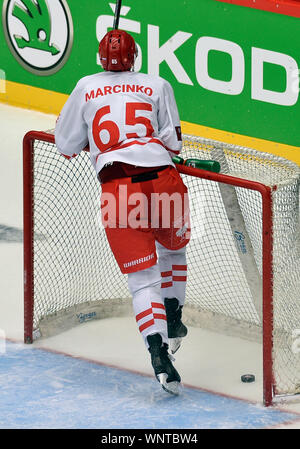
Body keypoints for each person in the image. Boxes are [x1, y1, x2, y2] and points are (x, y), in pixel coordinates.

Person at [55, 29, 190, 395]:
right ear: (136, 56)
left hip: (119, 191)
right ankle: (174, 316)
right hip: (164, 180)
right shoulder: (158, 84)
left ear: (101, 58)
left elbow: (65, 144)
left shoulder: (85, 86)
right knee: (173, 250)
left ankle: (159, 354)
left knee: (143, 281)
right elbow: (173, 143)